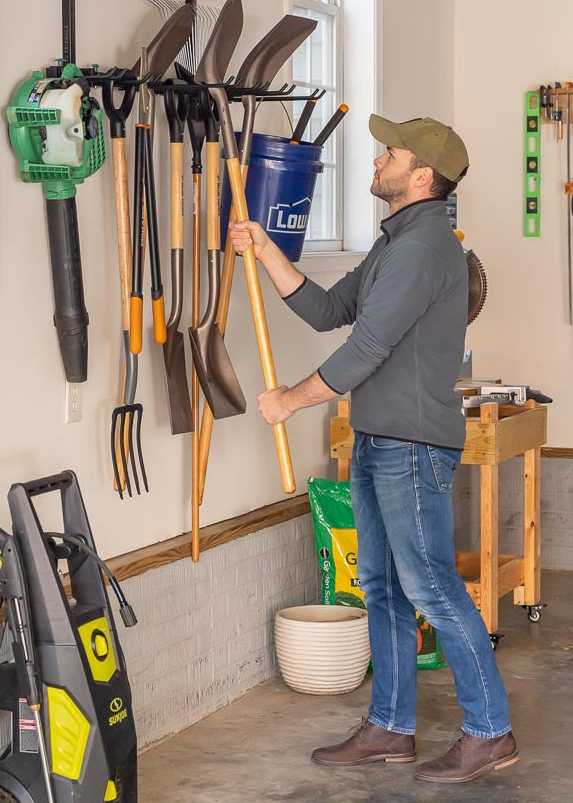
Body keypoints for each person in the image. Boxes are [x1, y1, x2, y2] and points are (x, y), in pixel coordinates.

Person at [229, 115, 517, 785]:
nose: (379, 156)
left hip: (412, 448)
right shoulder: (398, 242)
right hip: (380, 440)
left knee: (434, 589)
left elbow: (366, 348)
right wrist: (265, 248)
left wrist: (291, 400)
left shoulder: (424, 250)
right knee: (385, 589)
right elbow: (331, 310)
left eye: (393, 151)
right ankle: (391, 726)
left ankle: (490, 731)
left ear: (422, 176)